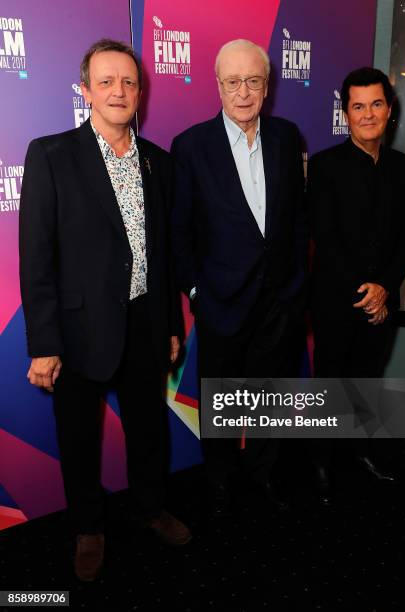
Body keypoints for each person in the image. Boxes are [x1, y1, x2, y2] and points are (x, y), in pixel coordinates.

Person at [19, 39, 191, 582]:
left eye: (129, 82)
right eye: (107, 81)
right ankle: (88, 528)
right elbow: (36, 255)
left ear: (141, 92)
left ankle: (149, 507)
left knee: (147, 429)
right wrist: (44, 342)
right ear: (86, 89)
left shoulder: (159, 163)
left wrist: (168, 325)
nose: (119, 91)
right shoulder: (50, 154)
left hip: (145, 321)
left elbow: (163, 254)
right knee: (78, 436)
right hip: (75, 328)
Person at [171, 39, 307, 516]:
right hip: (221, 302)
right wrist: (196, 293)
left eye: (253, 81)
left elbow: (296, 220)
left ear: (267, 87)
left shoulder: (288, 136)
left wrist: (296, 285)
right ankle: (221, 483)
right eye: (233, 82)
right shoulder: (190, 147)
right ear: (218, 86)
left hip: (279, 300)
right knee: (223, 399)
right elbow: (179, 233)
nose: (243, 92)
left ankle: (265, 476)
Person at [308, 67, 405, 504]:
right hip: (337, 301)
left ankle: (361, 452)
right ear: (346, 114)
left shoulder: (403, 167)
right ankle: (320, 461)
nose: (368, 114)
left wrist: (385, 289)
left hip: (383, 303)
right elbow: (327, 239)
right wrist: (366, 292)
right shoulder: (324, 166)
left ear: (389, 110)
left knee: (367, 379)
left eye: (376, 104)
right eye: (358, 106)